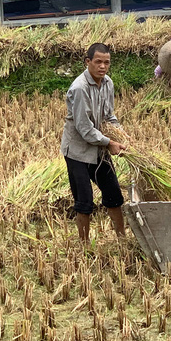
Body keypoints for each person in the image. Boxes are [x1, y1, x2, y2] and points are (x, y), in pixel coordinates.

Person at [61, 43, 127, 243]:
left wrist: (121, 135)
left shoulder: (108, 83)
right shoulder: (79, 88)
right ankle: (84, 246)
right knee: (85, 202)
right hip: (78, 153)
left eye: (106, 62)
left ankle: (122, 239)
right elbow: (84, 128)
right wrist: (109, 142)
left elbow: (109, 116)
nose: (102, 66)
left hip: (99, 150)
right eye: (98, 62)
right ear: (88, 62)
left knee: (114, 195)